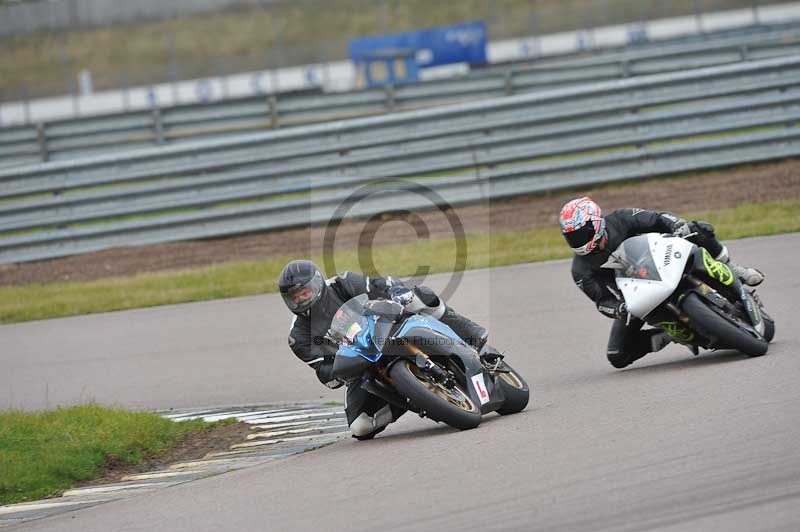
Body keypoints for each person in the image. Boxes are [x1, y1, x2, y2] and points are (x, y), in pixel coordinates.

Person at [277, 260, 488, 440]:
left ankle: (467, 332)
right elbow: (324, 371)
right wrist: (336, 373)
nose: (300, 299)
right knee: (361, 427)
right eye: (294, 297)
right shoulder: (299, 336)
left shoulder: (342, 283)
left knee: (417, 296)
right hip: (361, 364)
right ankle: (409, 397)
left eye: (303, 292)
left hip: (388, 327)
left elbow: (382, 284)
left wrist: (395, 290)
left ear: (316, 284)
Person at [558, 197, 764, 369]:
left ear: (596, 223)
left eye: (580, 233)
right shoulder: (580, 270)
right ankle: (670, 335)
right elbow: (602, 301)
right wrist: (620, 308)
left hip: (663, 260)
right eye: (571, 237)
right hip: (637, 295)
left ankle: (734, 269)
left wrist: (677, 225)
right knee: (617, 355)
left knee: (698, 228)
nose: (577, 241)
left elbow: (658, 218)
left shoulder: (620, 218)